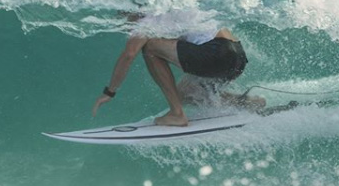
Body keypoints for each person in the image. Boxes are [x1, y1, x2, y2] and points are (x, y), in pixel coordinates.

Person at [92, 16, 265, 126]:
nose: (125, 25)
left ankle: (177, 114)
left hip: (216, 54)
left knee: (149, 48)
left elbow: (129, 55)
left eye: (123, 17)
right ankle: (247, 102)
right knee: (185, 93)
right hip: (237, 57)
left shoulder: (145, 20)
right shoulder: (172, 7)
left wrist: (110, 92)